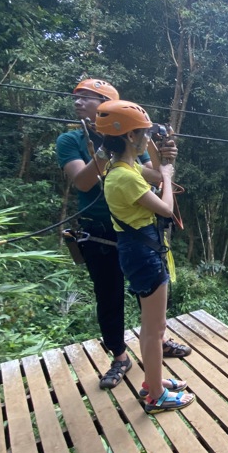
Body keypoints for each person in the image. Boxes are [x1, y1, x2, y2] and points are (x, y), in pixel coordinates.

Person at [56, 79, 190, 390]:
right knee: (109, 296)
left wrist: (163, 155)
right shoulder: (71, 141)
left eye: (89, 98)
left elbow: (155, 175)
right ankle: (120, 356)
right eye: (77, 98)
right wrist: (107, 146)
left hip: (137, 233)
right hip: (100, 231)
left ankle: (155, 346)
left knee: (150, 307)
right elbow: (83, 182)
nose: (79, 103)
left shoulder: (128, 152)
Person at [95, 98, 195, 413]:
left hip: (136, 250)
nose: (146, 138)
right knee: (155, 330)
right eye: (143, 133)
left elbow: (153, 172)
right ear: (128, 136)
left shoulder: (120, 168)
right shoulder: (124, 176)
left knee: (152, 327)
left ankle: (153, 382)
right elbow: (165, 205)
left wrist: (162, 162)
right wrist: (166, 174)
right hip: (144, 253)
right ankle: (156, 397)